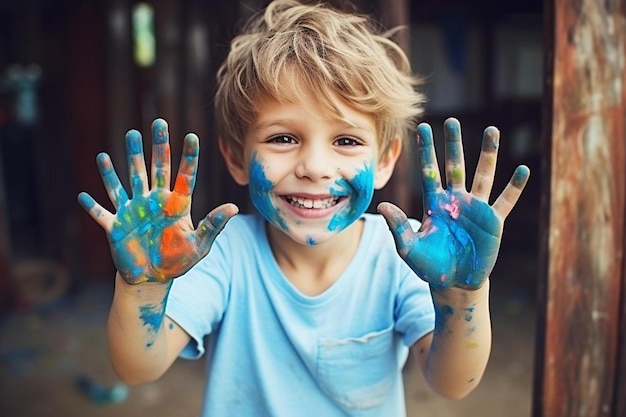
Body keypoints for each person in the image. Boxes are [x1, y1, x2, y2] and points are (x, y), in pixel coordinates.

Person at [77, 0, 530, 415]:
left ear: (386, 159)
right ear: (236, 158)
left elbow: (453, 383)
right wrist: (142, 288)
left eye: (347, 140)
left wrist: (462, 296)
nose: (314, 166)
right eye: (283, 138)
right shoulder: (223, 256)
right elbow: (138, 369)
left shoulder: (407, 256)